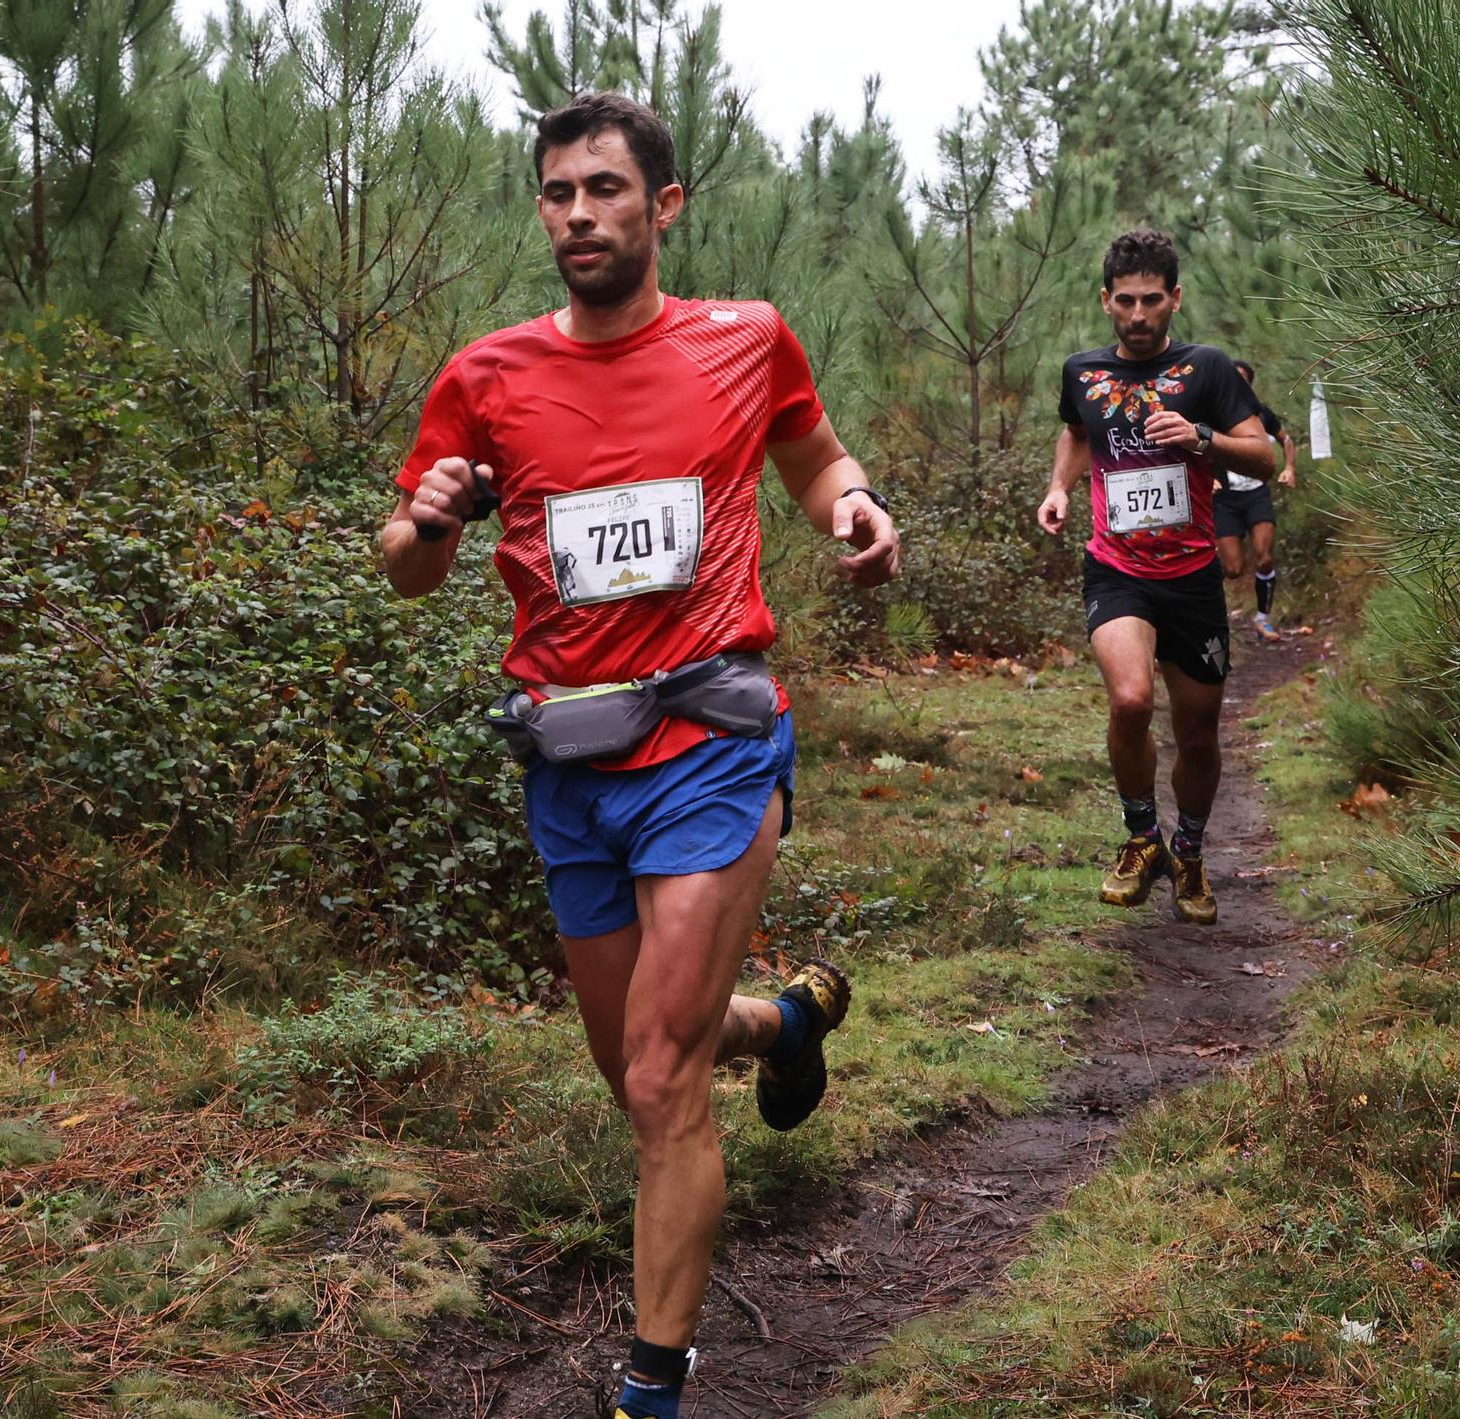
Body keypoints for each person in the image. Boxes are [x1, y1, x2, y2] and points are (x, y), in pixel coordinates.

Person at [378, 93, 900, 1419]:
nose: (579, 214)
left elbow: (815, 457)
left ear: (662, 207)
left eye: (605, 189)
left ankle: (651, 1385)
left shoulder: (745, 340)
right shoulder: (487, 375)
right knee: (637, 1062)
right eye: (558, 193)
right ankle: (783, 1022)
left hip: (711, 741)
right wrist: (428, 519)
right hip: (569, 755)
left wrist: (854, 508)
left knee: (662, 1082)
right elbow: (405, 569)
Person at [1037, 229, 1275, 924]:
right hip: (1118, 570)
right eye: (1125, 302)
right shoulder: (1081, 371)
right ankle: (1142, 839)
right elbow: (1078, 431)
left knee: (1199, 734)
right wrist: (1058, 487)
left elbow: (1261, 456)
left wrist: (1203, 438)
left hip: (1194, 576)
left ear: (1175, 297)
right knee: (1132, 701)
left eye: (1151, 301)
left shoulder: (1207, 369)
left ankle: (1190, 849)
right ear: (1105, 301)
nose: (1138, 316)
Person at [1217, 359, 1298, 641]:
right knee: (1233, 569)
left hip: (1257, 494)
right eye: (1233, 377)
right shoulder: (1212, 412)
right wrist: (1208, 478)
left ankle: (1263, 619)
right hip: (1224, 499)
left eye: (1243, 379)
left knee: (1264, 558)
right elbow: (1196, 447)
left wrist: (1289, 468)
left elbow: (1286, 440)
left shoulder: (1262, 414)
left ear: (1250, 384)